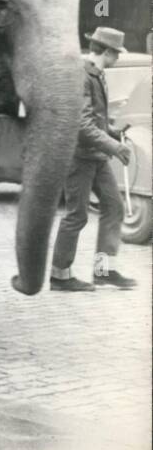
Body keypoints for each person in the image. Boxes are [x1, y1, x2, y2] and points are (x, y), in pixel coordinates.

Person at [50, 27, 136, 291]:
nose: (119, 58)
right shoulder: (82, 76)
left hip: (95, 156)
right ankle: (60, 276)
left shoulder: (97, 75)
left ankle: (103, 270)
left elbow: (95, 120)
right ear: (107, 52)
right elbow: (81, 124)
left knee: (114, 207)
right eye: (117, 54)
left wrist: (112, 132)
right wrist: (114, 146)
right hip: (78, 157)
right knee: (77, 215)